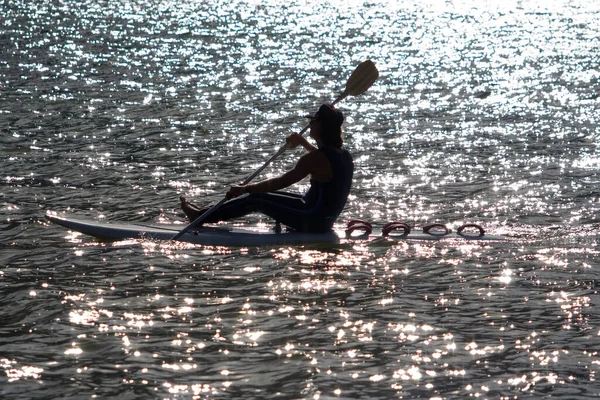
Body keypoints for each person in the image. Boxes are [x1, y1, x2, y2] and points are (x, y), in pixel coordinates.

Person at [180, 104, 354, 233]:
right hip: (316, 215)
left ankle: (200, 217)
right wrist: (303, 143)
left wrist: (245, 188)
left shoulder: (313, 159)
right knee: (257, 195)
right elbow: (322, 161)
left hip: (312, 222)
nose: (310, 124)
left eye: (313, 121)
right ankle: (204, 213)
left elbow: (282, 181)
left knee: (257, 200)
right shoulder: (343, 155)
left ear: (322, 127)